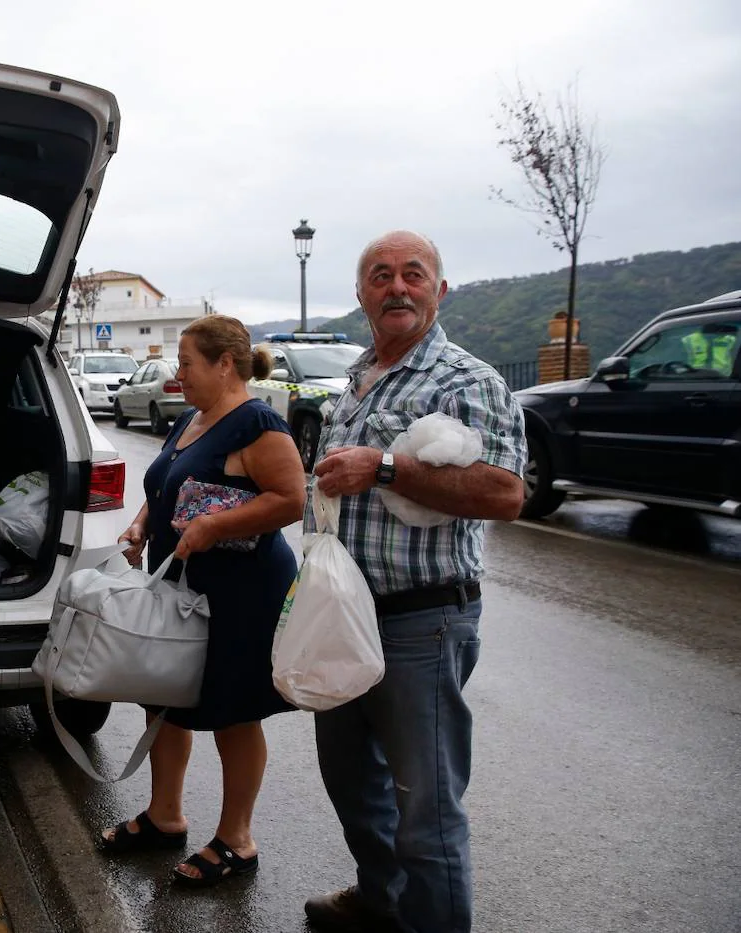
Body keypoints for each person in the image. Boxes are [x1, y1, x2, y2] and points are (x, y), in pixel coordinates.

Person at [302, 231, 526, 933]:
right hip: (345, 616)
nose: (397, 286)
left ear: (439, 288)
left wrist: (388, 467)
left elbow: (504, 493)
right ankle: (382, 901)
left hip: (422, 623)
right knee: (355, 784)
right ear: (362, 293)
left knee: (425, 813)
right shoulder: (359, 376)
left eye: (413, 274)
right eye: (380, 275)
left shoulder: (467, 381)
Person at [97, 314, 307, 887]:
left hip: (241, 595)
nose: (179, 373)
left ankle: (237, 839)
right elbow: (166, 486)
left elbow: (291, 499)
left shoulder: (256, 423)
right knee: (165, 699)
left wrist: (215, 527)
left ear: (224, 364)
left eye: (187, 363)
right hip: (184, 589)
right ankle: (165, 816)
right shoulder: (192, 418)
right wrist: (142, 524)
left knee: (231, 714)